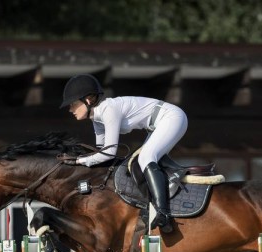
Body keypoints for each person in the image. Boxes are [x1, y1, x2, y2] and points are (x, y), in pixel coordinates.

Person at [60, 74, 188, 233]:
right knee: (137, 162)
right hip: (158, 124)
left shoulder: (108, 109)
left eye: (73, 104)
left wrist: (79, 161)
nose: (70, 109)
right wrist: (79, 158)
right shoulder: (97, 119)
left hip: (172, 117)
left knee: (146, 158)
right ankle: (157, 199)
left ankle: (163, 213)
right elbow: (101, 152)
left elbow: (109, 153)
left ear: (89, 99)